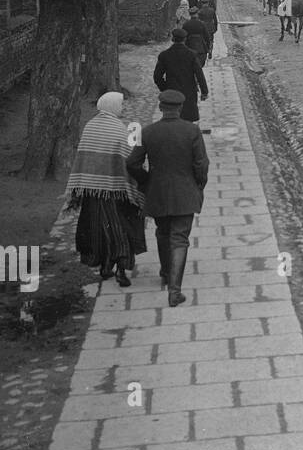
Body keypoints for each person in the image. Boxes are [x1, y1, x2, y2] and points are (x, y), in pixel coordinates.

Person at [126, 90, 209, 307]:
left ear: (161, 108)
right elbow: (201, 164)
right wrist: (198, 185)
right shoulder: (192, 131)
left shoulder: (148, 132)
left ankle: (165, 272)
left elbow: (132, 164)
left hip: (158, 192)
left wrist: (146, 182)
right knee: (180, 238)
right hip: (185, 193)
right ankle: (175, 290)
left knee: (163, 233)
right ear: (180, 108)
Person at [65, 92, 147, 287]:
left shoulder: (90, 126)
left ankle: (104, 267)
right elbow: (129, 160)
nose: (123, 108)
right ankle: (121, 270)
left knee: (98, 231)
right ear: (112, 106)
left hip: (93, 193)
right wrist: (140, 184)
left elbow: (83, 158)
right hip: (117, 192)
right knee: (121, 230)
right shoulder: (120, 129)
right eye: (120, 104)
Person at [154, 28, 209, 126]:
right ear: (185, 39)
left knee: (172, 118)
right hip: (189, 91)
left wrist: (165, 89)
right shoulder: (191, 54)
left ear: (172, 39)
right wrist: (204, 91)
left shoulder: (164, 55)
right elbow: (199, 74)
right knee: (188, 120)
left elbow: (157, 76)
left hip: (172, 91)